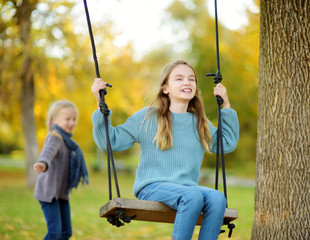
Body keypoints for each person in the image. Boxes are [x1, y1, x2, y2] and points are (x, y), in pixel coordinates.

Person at [91, 60, 239, 240]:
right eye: (179, 79)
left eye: (191, 79)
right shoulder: (148, 117)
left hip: (187, 188)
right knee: (193, 196)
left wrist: (226, 105)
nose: (187, 82)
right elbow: (111, 141)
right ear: (165, 88)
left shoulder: (199, 122)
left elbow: (227, 143)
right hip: (152, 186)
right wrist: (100, 103)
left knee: (217, 198)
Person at [33, 100, 89, 240]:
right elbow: (48, 152)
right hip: (49, 193)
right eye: (67, 119)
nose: (72, 123)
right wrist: (43, 163)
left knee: (66, 233)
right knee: (55, 233)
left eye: (74, 119)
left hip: (61, 194)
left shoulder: (68, 142)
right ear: (54, 119)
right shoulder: (55, 137)